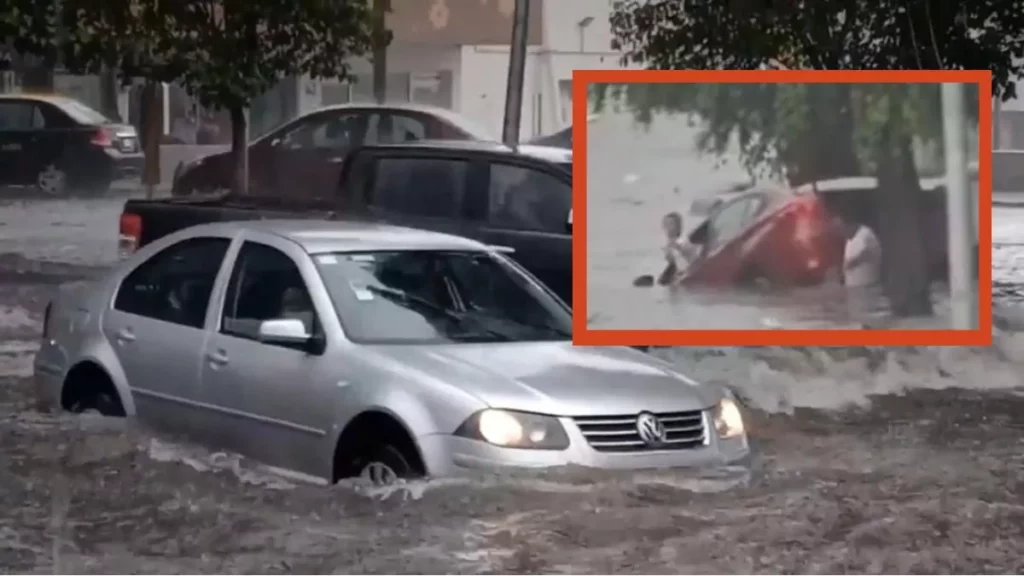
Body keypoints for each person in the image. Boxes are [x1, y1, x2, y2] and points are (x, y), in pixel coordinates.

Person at [837, 215, 882, 288]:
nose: (840, 233)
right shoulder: (850, 239)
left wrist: (850, 264)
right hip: (856, 288)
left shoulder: (865, 234)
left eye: (841, 229)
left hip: (868, 286)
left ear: (848, 225)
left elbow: (866, 253)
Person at [657, 212, 699, 285]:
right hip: (677, 274)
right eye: (666, 224)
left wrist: (677, 247)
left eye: (671, 224)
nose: (668, 227)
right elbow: (671, 262)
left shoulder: (683, 240)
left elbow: (689, 251)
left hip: (688, 273)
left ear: (678, 227)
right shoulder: (667, 243)